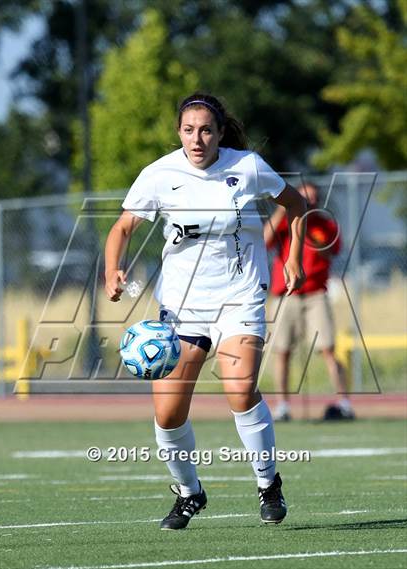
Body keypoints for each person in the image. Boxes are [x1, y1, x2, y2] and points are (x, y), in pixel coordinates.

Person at [104, 92, 306, 530]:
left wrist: (293, 257)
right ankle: (189, 492)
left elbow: (295, 203)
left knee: (239, 390)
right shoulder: (159, 174)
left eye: (206, 130)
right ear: (179, 132)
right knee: (168, 414)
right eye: (189, 130)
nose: (198, 139)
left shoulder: (246, 167)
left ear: (218, 134)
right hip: (182, 306)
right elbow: (122, 227)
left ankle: (268, 483)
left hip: (240, 296)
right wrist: (112, 270)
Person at [264, 182, 355, 421]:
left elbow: (330, 251)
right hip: (286, 294)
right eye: (303, 199)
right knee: (282, 351)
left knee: (328, 348)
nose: (308, 203)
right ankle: (282, 406)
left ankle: (344, 402)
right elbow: (265, 240)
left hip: (315, 294)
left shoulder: (325, 225)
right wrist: (284, 209)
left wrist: (309, 230)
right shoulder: (284, 222)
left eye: (312, 199)